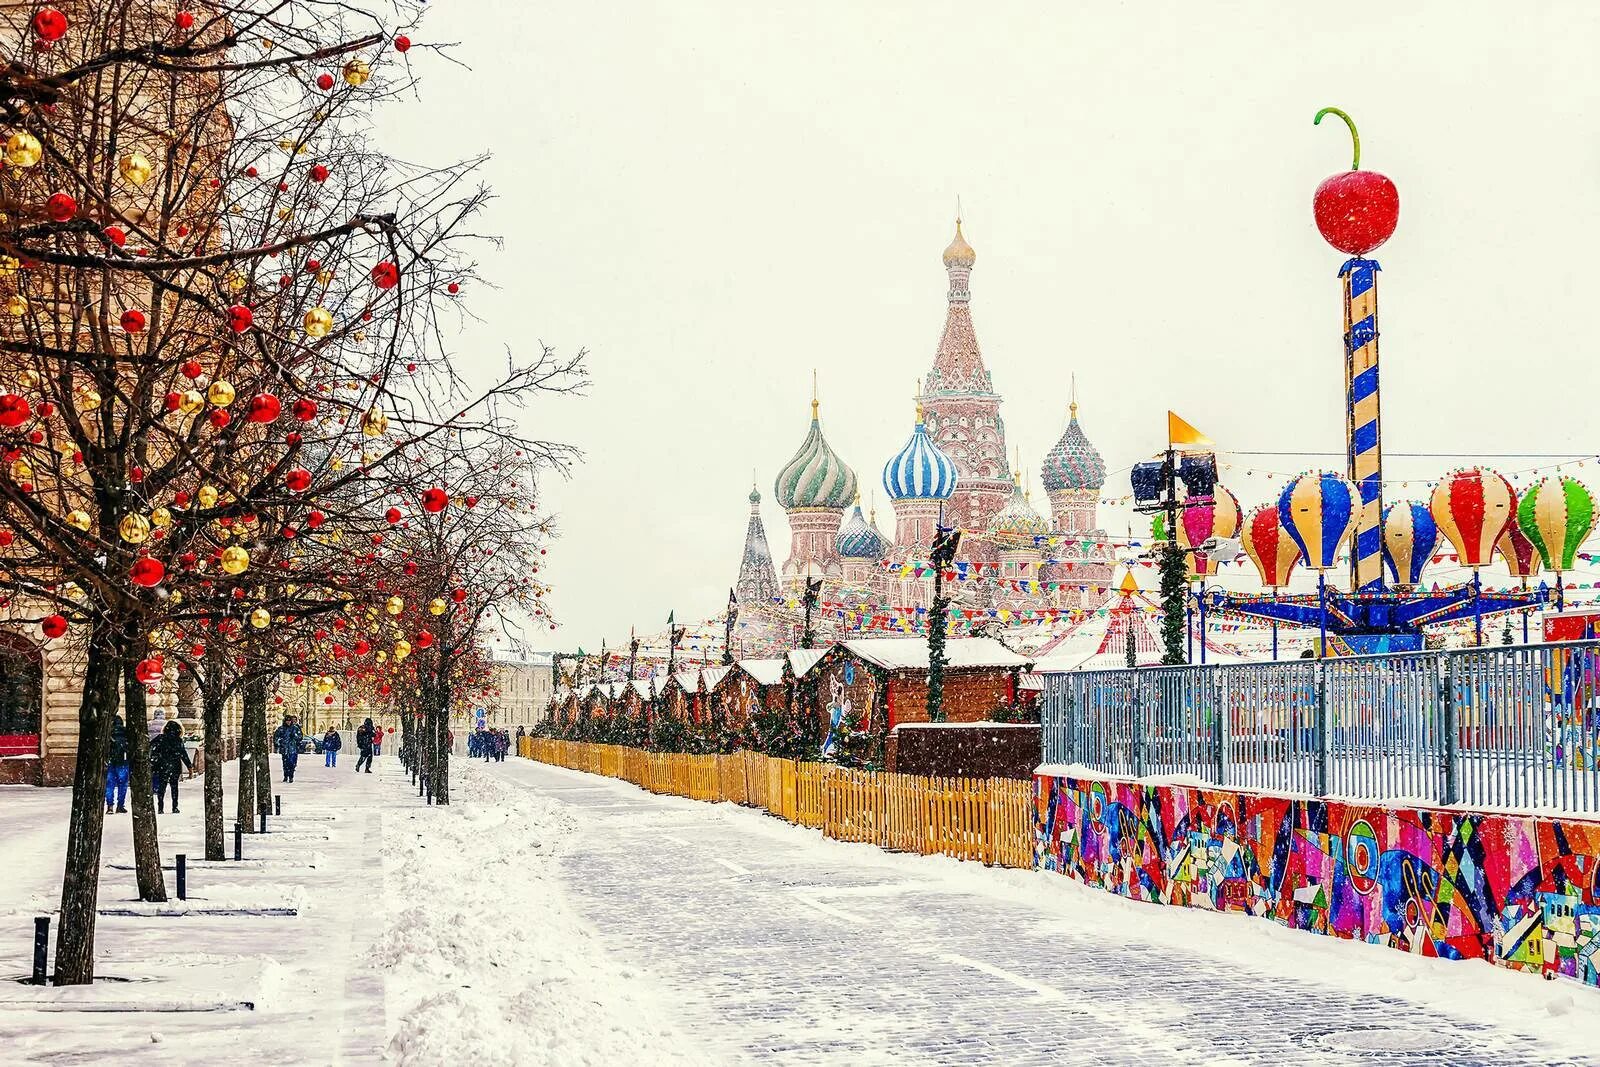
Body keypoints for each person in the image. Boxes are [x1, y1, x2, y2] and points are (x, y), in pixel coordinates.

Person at [151, 720, 192, 814]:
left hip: (163, 765)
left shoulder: (160, 738)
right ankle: (175, 807)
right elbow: (183, 754)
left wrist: (154, 760)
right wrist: (189, 767)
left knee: (162, 787)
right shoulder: (178, 740)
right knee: (174, 787)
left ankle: (160, 808)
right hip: (175, 766)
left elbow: (151, 747)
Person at [104, 714, 129, 814]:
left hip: (110, 760)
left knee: (109, 785)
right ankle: (120, 805)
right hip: (123, 760)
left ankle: (110, 806)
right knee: (122, 784)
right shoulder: (126, 732)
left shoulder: (107, 733)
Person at [273, 715, 303, 783]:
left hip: (292, 748)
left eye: (289, 721)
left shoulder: (295, 728)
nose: (288, 722)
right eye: (287, 721)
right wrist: (278, 743)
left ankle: (291, 776)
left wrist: (295, 736)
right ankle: (286, 776)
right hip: (284, 748)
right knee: (285, 763)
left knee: (291, 763)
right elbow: (276, 737)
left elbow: (300, 736)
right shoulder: (281, 728)